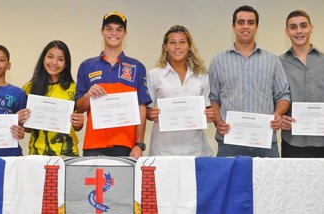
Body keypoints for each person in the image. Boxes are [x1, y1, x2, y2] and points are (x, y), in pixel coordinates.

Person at [208, 5, 290, 158]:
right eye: (241, 22)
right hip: (229, 140)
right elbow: (213, 97)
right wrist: (218, 121)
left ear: (257, 27)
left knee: (269, 182)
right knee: (230, 182)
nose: (246, 26)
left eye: (251, 22)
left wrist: (278, 114)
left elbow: (283, 95)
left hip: (265, 140)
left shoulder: (271, 60)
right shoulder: (218, 61)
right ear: (233, 26)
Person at [74, 12, 151, 158]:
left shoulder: (137, 67)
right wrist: (88, 96)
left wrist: (139, 144)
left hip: (125, 145)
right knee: (92, 182)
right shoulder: (86, 66)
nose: (113, 33)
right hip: (93, 144)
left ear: (125, 33)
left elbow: (141, 107)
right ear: (102, 31)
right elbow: (79, 107)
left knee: (124, 182)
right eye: (109, 28)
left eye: (118, 29)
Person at [278, 10, 324, 158]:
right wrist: (280, 117)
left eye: (303, 26)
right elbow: (275, 98)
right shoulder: (278, 63)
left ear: (311, 28)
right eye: (293, 27)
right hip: (292, 141)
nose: (299, 31)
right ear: (287, 31)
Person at [146, 25, 214, 156]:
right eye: (172, 42)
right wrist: (151, 114)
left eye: (182, 42)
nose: (177, 47)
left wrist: (209, 116)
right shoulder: (154, 75)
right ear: (165, 47)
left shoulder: (202, 75)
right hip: (163, 150)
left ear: (189, 46)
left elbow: (207, 110)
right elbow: (147, 111)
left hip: (195, 149)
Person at [22, 40, 84, 156]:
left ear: (66, 64)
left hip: (67, 154)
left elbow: (77, 127)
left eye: (60, 59)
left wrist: (79, 123)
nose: (54, 62)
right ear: (43, 59)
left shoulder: (74, 89)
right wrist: (21, 120)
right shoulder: (28, 88)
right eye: (50, 57)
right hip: (37, 154)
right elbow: (28, 129)